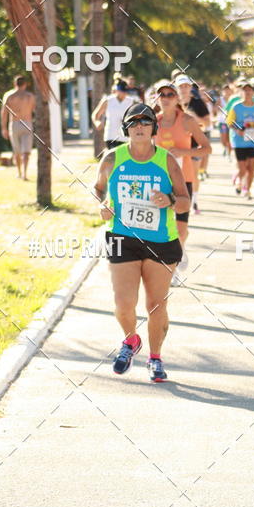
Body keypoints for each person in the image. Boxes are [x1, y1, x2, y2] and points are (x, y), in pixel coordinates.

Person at [93, 103, 190, 381]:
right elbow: (98, 188)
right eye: (133, 123)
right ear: (125, 128)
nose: (139, 127)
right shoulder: (112, 158)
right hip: (122, 236)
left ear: (153, 128)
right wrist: (102, 204)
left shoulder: (166, 160)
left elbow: (185, 201)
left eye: (145, 122)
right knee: (124, 304)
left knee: (155, 304)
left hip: (160, 240)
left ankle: (155, 358)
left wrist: (169, 200)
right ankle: (131, 340)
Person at [154, 79, 210, 277]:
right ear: (157, 98)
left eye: (170, 95)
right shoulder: (153, 122)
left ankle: (180, 251)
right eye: (162, 95)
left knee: (180, 228)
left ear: (177, 98)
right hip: (160, 181)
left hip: (183, 178)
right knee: (163, 226)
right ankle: (171, 267)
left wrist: (182, 151)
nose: (166, 98)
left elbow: (206, 148)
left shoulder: (186, 120)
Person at [174, 74, 210, 213]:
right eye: (181, 86)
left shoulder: (198, 103)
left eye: (186, 86)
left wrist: (193, 117)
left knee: (192, 174)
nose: (183, 89)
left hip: (193, 144)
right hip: (175, 144)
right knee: (175, 175)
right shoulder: (171, 102)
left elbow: (207, 123)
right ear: (176, 88)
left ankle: (194, 201)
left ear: (190, 88)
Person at [226, 80, 254, 199]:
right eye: (245, 90)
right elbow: (229, 122)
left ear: (253, 92)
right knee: (243, 168)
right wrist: (237, 130)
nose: (247, 92)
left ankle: (247, 190)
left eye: (250, 90)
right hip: (239, 141)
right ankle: (239, 180)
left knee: (252, 166)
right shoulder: (236, 107)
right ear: (241, 92)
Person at [1, 75, 36, 180]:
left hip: (14, 124)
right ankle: (24, 173)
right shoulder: (30, 96)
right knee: (26, 151)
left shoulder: (9, 96)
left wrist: (3, 128)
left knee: (17, 151)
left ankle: (19, 172)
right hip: (27, 123)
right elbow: (36, 111)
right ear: (25, 84)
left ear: (15, 84)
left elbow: (4, 113)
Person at [92, 80, 135, 149]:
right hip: (111, 136)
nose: (124, 93)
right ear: (117, 90)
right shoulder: (108, 101)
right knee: (114, 158)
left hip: (126, 138)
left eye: (125, 91)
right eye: (122, 91)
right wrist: (97, 122)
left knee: (123, 158)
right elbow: (95, 115)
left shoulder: (131, 102)